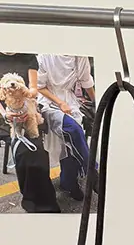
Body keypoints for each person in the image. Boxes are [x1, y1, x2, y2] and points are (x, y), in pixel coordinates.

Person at [0, 52, 60, 212]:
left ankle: (46, 201)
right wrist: (5, 114)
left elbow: (34, 88)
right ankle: (30, 199)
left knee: (37, 151)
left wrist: (27, 95)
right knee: (23, 152)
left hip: (28, 108)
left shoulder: (28, 56)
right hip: (4, 114)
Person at [37, 54, 96, 201]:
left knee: (72, 141)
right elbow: (40, 87)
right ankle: (92, 170)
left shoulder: (80, 56)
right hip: (48, 102)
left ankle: (69, 182)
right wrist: (60, 103)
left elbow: (86, 82)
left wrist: (97, 103)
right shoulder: (45, 55)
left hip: (71, 101)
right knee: (73, 130)